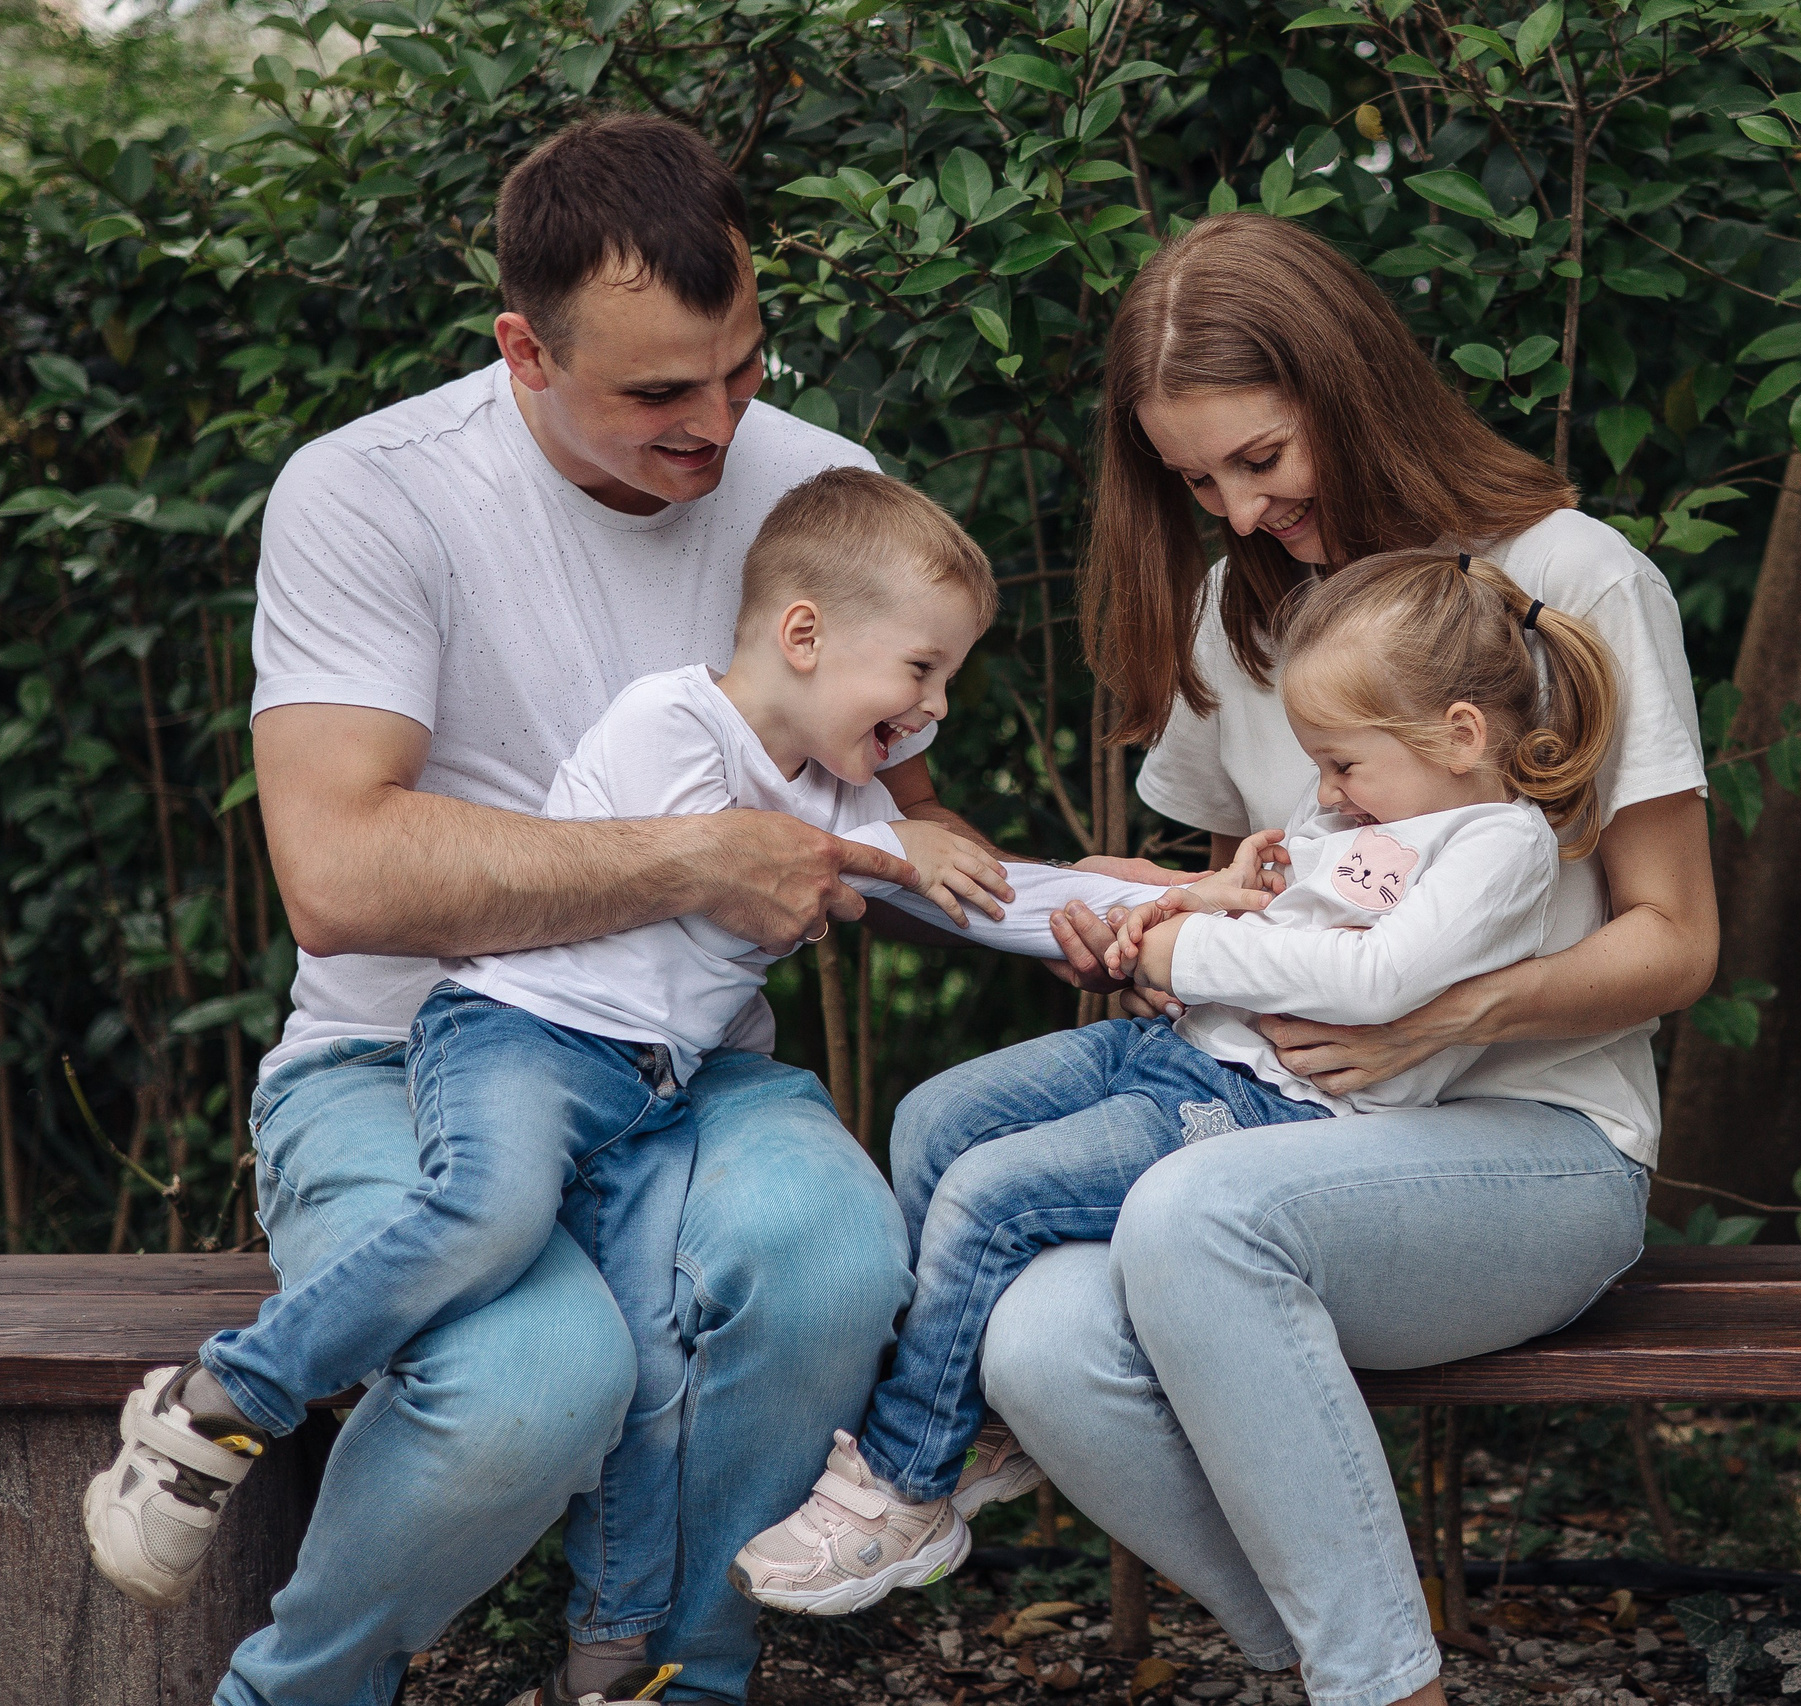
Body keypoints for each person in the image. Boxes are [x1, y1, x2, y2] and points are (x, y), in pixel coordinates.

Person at [162, 113, 1153, 1706]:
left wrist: (1120, 906)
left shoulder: (827, 489)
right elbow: (338, 879)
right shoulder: (370, 492)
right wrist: (698, 857)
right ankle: (297, 1688)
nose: (716, 426)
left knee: (834, 1255)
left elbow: (896, 826)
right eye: (658, 394)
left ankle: (677, 1677)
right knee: (525, 1383)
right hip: (404, 1055)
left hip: (682, 1067)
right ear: (523, 350)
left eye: (744, 367)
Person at [85, 469, 1151, 1643]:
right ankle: (219, 1402)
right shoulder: (674, 720)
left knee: (653, 1368)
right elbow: (741, 853)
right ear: (804, 633)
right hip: (520, 1037)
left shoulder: (831, 796)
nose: (934, 707)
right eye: (921, 670)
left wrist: (1161, 894)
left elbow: (965, 884)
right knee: (486, 1212)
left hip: (648, 1092)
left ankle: (618, 1643)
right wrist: (888, 844)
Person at [955, 211, 1720, 1706]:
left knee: (1190, 1218)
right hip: (1277, 1133)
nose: (1237, 513)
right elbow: (1283, 889)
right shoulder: (1239, 608)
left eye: (1261, 460)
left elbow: (1678, 939)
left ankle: (1384, 1686)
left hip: (1538, 1148)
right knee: (1040, 1340)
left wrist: (1457, 1003)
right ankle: (1338, 1659)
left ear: (1350, 390)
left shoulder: (1570, 577)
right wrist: (1146, 915)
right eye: (1195, 482)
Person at [731, 548, 1621, 1619]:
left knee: (994, 1191)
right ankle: (973, 1405)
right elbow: (1284, 917)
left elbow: (1379, 978)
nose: (1326, 789)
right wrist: (1196, 899)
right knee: (938, 1116)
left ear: (1462, 736)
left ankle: (907, 1480)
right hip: (1182, 1046)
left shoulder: (1494, 842)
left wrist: (1183, 955)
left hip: (1273, 1103)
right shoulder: (1370, 815)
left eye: (1343, 763)